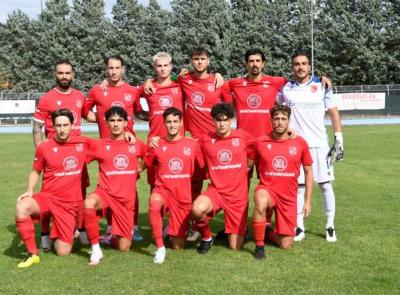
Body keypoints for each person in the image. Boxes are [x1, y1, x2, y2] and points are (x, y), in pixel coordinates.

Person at [145, 47, 232, 242]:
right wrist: (148, 81)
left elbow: (228, 107)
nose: (199, 62)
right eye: (196, 59)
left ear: (208, 61)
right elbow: (167, 74)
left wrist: (220, 76)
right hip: (190, 141)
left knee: (218, 180)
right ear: (191, 61)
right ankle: (177, 222)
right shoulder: (183, 79)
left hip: (213, 141)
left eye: (203, 59)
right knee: (177, 182)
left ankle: (229, 224)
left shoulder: (217, 82)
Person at [277, 50, 344, 242]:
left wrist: (338, 137)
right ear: (292, 67)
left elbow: (333, 112)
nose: (300, 67)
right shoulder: (286, 88)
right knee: (298, 187)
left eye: (304, 63)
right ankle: (299, 227)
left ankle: (330, 225)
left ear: (309, 66)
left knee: (324, 185)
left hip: (319, 145)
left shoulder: (322, 85)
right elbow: (277, 110)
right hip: (296, 146)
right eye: (296, 64)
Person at [83, 55, 148, 242]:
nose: (114, 72)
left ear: (123, 69)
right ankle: (111, 228)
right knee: (107, 187)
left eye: (117, 68)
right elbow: (85, 112)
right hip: (106, 147)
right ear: (106, 69)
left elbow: (137, 112)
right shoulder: (97, 91)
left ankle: (133, 227)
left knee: (130, 187)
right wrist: (103, 119)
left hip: (127, 145)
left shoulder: (132, 91)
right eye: (110, 68)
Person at [15, 109, 91, 268]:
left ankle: (63, 229)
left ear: (72, 125)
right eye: (58, 125)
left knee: (63, 252)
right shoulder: (44, 147)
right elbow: (36, 171)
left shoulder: (82, 143)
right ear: (53, 126)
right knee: (22, 206)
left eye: (65, 125)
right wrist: (30, 190)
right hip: (48, 198)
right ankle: (32, 254)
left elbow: (108, 146)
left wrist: (129, 136)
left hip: (69, 204)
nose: (62, 129)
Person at [32, 59, 92, 250]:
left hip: (76, 156)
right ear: (55, 74)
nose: (64, 76)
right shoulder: (47, 98)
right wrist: (41, 149)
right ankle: (44, 234)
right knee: (48, 196)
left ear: (72, 74)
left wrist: (108, 116)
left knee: (81, 195)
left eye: (67, 73)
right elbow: (37, 126)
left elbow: (87, 115)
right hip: (54, 156)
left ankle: (81, 230)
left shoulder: (80, 96)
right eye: (61, 73)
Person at [83, 106, 145, 265]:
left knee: (124, 247)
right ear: (107, 123)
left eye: (119, 120)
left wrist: (141, 166)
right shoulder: (99, 144)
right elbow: (81, 159)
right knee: (89, 203)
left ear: (126, 123)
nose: (116, 124)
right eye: (112, 120)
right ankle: (96, 250)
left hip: (125, 200)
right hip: (105, 193)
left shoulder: (136, 143)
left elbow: (150, 157)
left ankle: (111, 238)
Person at [250, 104, 313, 259]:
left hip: (289, 196)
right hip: (268, 189)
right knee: (261, 201)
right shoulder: (260, 142)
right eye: (276, 119)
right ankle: (259, 246)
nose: (280, 122)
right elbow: (247, 166)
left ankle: (266, 231)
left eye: (283, 119)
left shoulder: (300, 143)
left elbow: (308, 172)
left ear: (289, 121)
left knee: (286, 244)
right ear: (271, 121)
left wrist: (307, 201)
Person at [144, 107, 203, 264]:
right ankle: (160, 248)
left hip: (182, 195)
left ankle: (173, 230)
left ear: (181, 122)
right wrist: (150, 147)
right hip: (163, 190)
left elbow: (202, 169)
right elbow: (147, 164)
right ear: (164, 123)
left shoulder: (192, 144)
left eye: (175, 121)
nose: (172, 125)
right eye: (169, 122)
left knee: (178, 246)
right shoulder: (157, 144)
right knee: (154, 202)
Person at [191, 103, 252, 253]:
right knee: (196, 210)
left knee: (234, 248)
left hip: (238, 196)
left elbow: (258, 147)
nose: (222, 123)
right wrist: (157, 140)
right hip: (216, 192)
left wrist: (248, 166)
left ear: (230, 120)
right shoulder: (205, 140)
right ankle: (207, 238)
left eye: (225, 120)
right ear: (213, 121)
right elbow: (184, 144)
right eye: (218, 120)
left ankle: (240, 229)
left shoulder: (242, 136)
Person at [139, 52, 184, 189]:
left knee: (177, 180)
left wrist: (217, 74)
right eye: (159, 66)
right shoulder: (148, 88)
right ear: (155, 68)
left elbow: (197, 76)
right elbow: (125, 91)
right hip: (154, 141)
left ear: (171, 66)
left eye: (166, 65)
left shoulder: (180, 86)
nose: (163, 68)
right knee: (155, 184)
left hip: (176, 142)